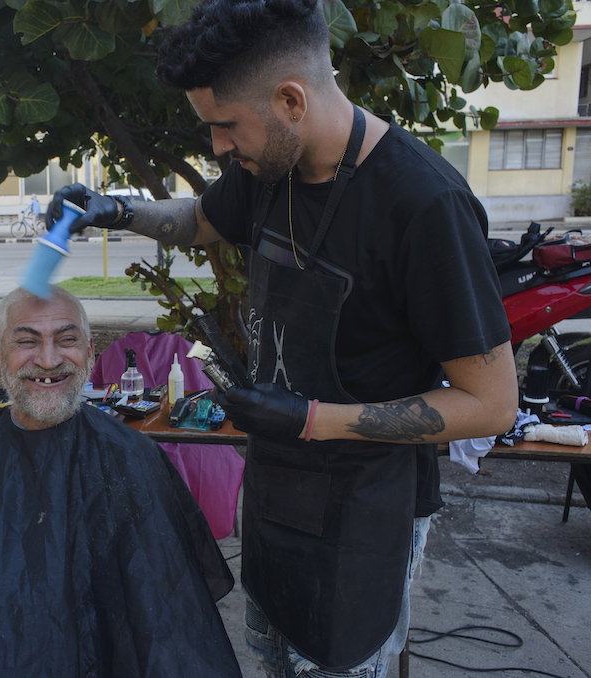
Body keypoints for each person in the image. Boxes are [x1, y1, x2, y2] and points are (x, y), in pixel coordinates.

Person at [47, 0, 518, 675]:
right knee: (271, 659)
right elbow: (201, 220)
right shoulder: (270, 170)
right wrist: (119, 211)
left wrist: (311, 419)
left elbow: (493, 404)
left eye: (224, 126)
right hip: (275, 483)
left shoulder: (422, 205)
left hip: (364, 508)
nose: (217, 147)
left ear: (291, 99)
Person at [0, 286, 242, 678]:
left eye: (66, 340)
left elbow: (169, 616)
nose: (49, 359)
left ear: (90, 354)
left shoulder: (131, 456)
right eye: (27, 341)